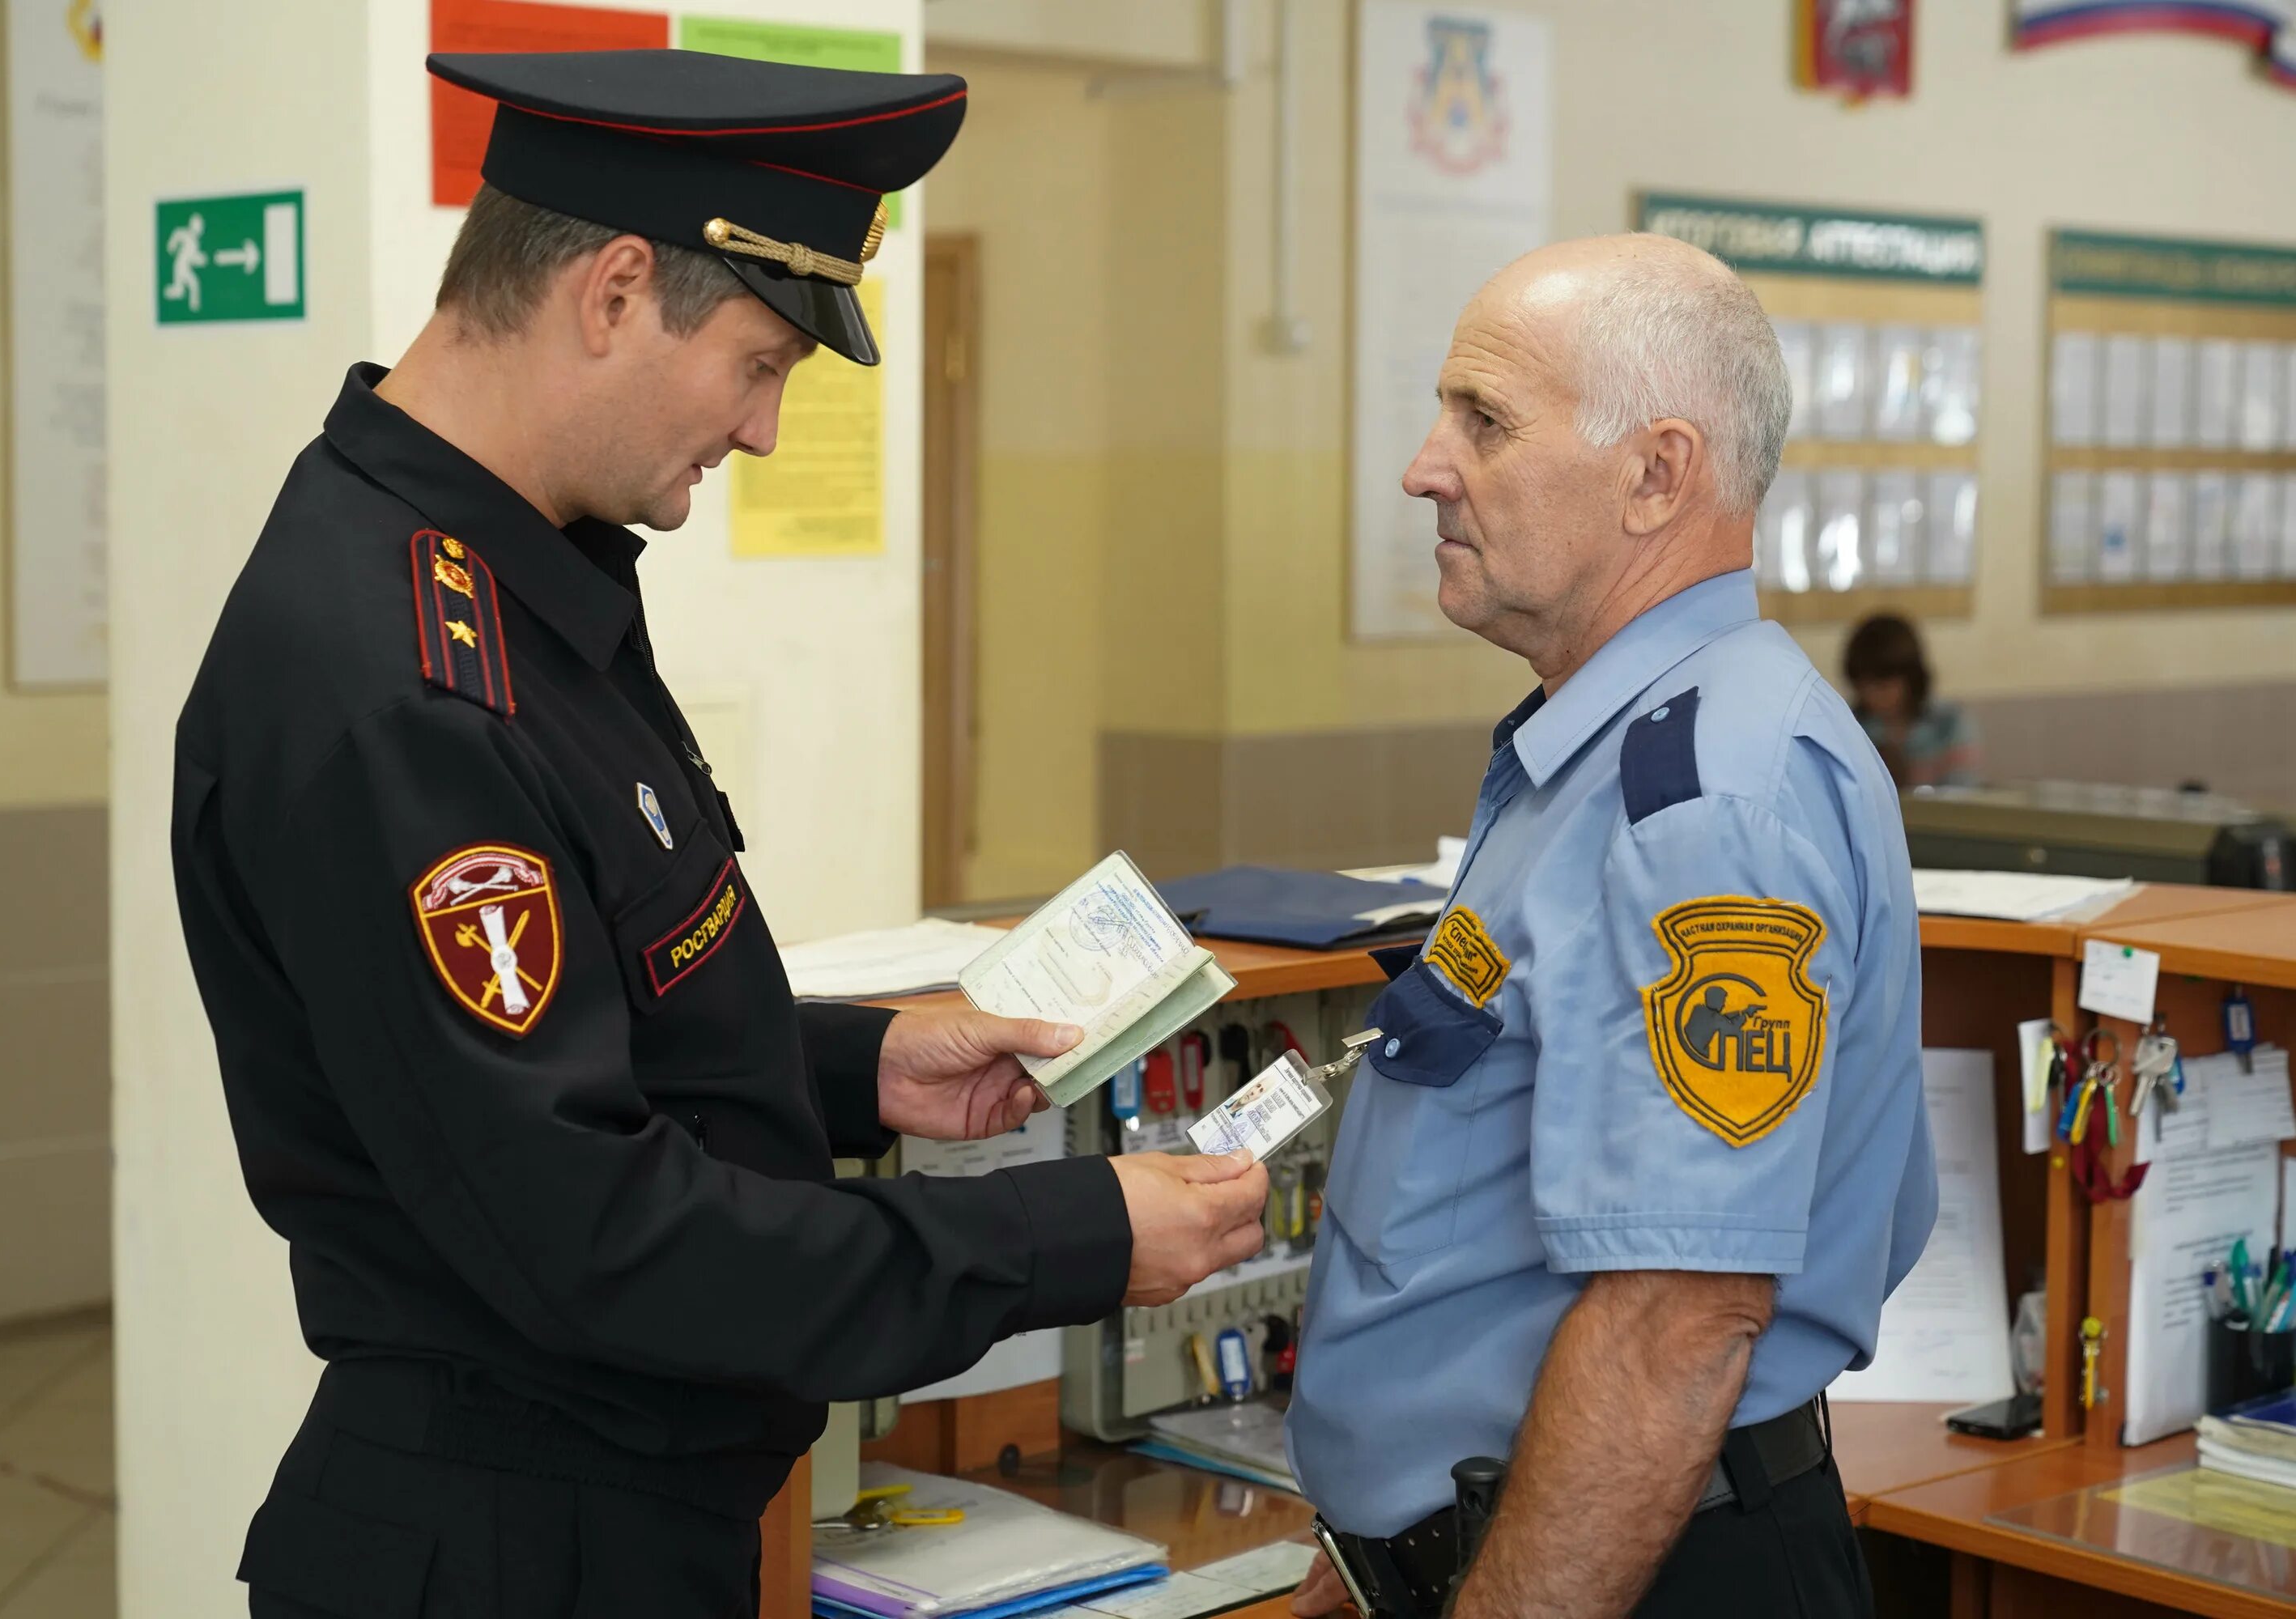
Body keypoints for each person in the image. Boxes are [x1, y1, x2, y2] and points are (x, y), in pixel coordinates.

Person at [170, 49, 1269, 1619]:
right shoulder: (402, 675)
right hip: (504, 1544)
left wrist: (855, 1064)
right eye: (759, 362)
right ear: (616, 290)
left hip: (607, 1516)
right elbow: (594, 1232)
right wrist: (1062, 1236)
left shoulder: (522, 585)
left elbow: (587, 1017)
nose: (761, 431)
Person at [1284, 235, 1934, 1619]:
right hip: (1523, 1549)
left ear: (1659, 473)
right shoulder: (1594, 758)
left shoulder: (1710, 804)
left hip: (1634, 1567)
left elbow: (1678, 1329)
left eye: (1485, 421)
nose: (1424, 466)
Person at [1843, 612, 1981, 789]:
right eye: (1863, 686)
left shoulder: (1949, 724)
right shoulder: (1850, 727)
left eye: (1883, 685)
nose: (1872, 696)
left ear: (1910, 678)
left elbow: (1962, 796)